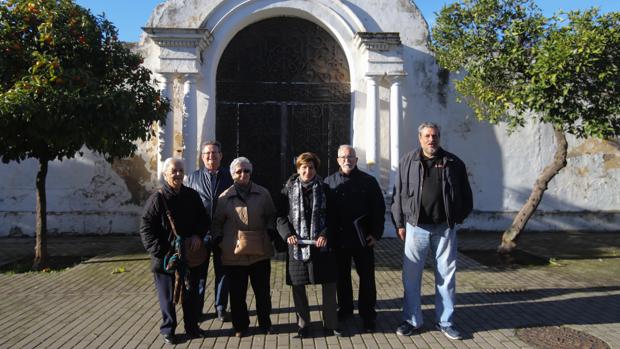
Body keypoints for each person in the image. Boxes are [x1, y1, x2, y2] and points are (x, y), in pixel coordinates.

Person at [391, 122, 473, 340]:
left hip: (445, 228)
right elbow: (398, 194)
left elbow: (466, 194)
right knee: (411, 277)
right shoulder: (408, 161)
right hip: (415, 228)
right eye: (427, 136)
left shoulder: (453, 162)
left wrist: (458, 218)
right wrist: (399, 223)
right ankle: (412, 320)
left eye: (435, 135)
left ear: (439, 137)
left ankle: (445, 321)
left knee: (446, 277)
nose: (431, 140)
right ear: (420, 138)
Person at [140, 157, 210, 345]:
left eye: (180, 170)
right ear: (165, 174)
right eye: (174, 171)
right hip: (165, 258)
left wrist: (197, 235)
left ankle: (192, 327)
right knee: (168, 297)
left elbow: (203, 220)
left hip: (189, 255)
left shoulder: (192, 195)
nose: (178, 174)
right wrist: (160, 251)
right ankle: (168, 330)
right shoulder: (157, 198)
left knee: (191, 293)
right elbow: (146, 227)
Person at [276, 152, 342, 338]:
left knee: (329, 284)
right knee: (298, 286)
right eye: (303, 167)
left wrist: (324, 233)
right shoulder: (287, 190)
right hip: (297, 245)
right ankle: (303, 325)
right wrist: (287, 234)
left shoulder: (326, 189)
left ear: (315, 169)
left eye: (311, 167)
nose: (307, 171)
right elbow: (280, 216)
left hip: (321, 245)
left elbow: (333, 217)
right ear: (298, 169)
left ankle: (330, 323)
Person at [211, 157, 276, 337]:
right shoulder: (224, 198)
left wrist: (270, 231)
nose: (243, 174)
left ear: (251, 172)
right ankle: (240, 326)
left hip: (260, 252)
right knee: (237, 294)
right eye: (238, 171)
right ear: (232, 174)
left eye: (246, 171)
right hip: (234, 253)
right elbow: (217, 222)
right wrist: (218, 240)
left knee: (262, 292)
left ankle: (265, 323)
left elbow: (272, 215)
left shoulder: (263, 194)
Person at [324, 145, 385, 333]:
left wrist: (375, 234)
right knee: (342, 277)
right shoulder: (329, 182)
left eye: (350, 157)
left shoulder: (368, 181)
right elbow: (323, 212)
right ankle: (345, 309)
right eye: (343, 157)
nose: (347, 160)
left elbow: (379, 209)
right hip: (339, 240)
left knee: (366, 278)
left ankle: (368, 315)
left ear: (356, 160)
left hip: (363, 239)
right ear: (337, 160)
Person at [185, 140, 233, 321]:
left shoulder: (230, 177)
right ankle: (197, 309)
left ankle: (221, 307)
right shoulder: (191, 179)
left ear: (221, 155)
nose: (211, 156)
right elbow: (187, 210)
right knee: (198, 275)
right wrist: (191, 234)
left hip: (223, 232)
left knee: (223, 273)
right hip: (201, 235)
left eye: (214, 153)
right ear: (202, 157)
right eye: (207, 153)